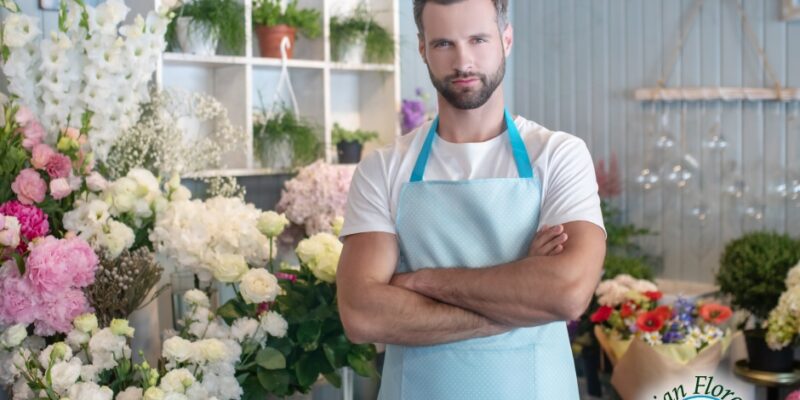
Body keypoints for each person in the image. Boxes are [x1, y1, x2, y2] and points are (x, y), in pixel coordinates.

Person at [336, 0, 607, 398]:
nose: (463, 62)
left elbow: (566, 292)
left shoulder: (557, 155)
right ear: (422, 48)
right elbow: (361, 314)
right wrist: (516, 299)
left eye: (478, 39)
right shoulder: (382, 169)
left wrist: (421, 281)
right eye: (444, 43)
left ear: (507, 39)